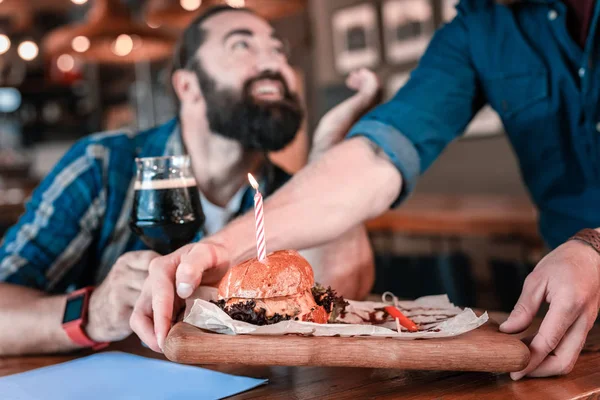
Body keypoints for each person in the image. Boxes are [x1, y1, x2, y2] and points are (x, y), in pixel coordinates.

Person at [134, 0, 600, 380]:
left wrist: (592, 245)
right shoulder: (482, 25)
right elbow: (378, 157)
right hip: (568, 312)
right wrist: (218, 247)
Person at [0, 6, 381, 355]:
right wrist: (92, 313)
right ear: (188, 86)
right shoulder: (102, 166)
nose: (276, 63)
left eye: (279, 51)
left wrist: (328, 156)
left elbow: (343, 290)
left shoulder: (288, 195)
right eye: (243, 46)